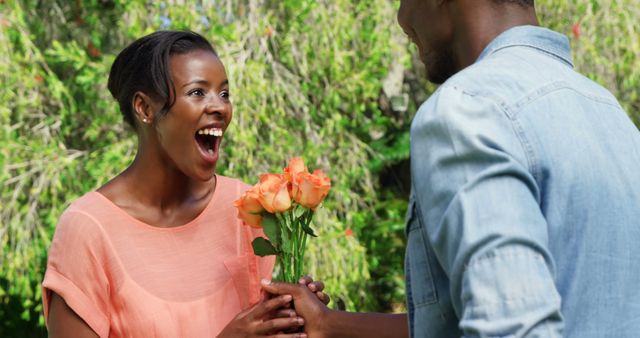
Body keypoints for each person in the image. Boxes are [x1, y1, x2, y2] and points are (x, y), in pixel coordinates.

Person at [263, 0, 640, 337]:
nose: (401, 18)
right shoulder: (611, 115)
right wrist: (329, 323)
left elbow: (511, 325)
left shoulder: (467, 109)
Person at [42, 30, 327, 338]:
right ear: (145, 109)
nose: (220, 107)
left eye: (224, 94)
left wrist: (300, 318)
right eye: (197, 92)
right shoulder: (87, 229)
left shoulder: (249, 207)